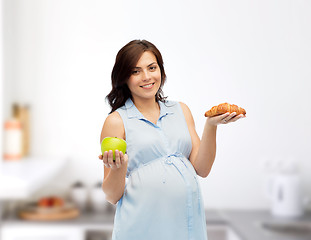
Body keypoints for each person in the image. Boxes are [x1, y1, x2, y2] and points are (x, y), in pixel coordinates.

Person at [98, 39, 245, 240]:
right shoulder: (116, 121)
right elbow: (111, 196)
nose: (147, 77)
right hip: (141, 228)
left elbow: (202, 169)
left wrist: (211, 126)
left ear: (161, 70)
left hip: (186, 224)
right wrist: (118, 167)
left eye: (152, 68)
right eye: (136, 71)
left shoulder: (181, 110)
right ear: (124, 77)